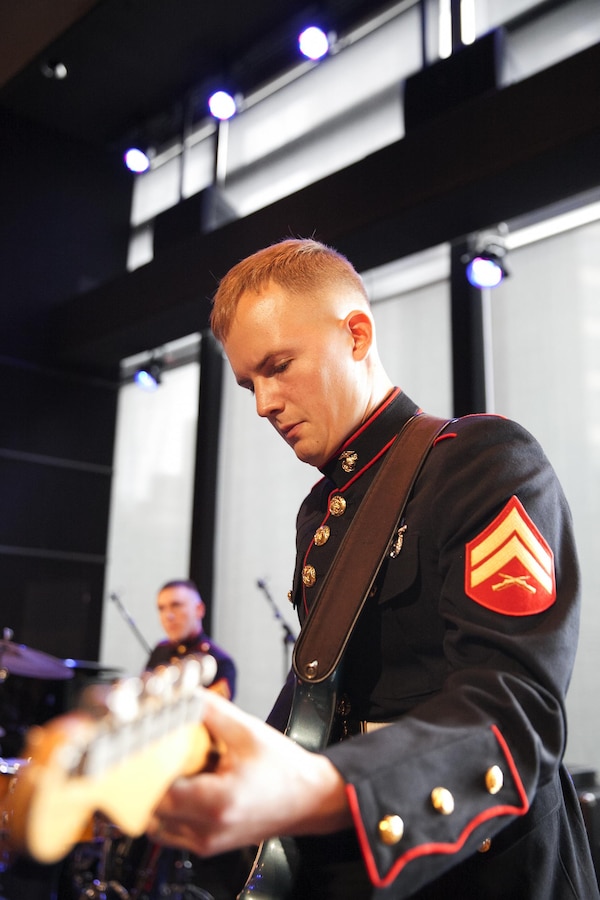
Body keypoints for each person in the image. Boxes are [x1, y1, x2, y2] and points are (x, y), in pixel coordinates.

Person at [146, 238, 599, 899]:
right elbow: (330, 703)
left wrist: (322, 788)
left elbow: (512, 712)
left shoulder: (480, 462)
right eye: (250, 383)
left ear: (356, 334)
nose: (263, 404)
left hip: (484, 870)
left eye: (278, 366)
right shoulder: (319, 511)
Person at [145, 578, 236, 700]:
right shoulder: (160, 651)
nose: (168, 616)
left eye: (176, 606)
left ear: (199, 610)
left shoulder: (220, 661)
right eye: (161, 608)